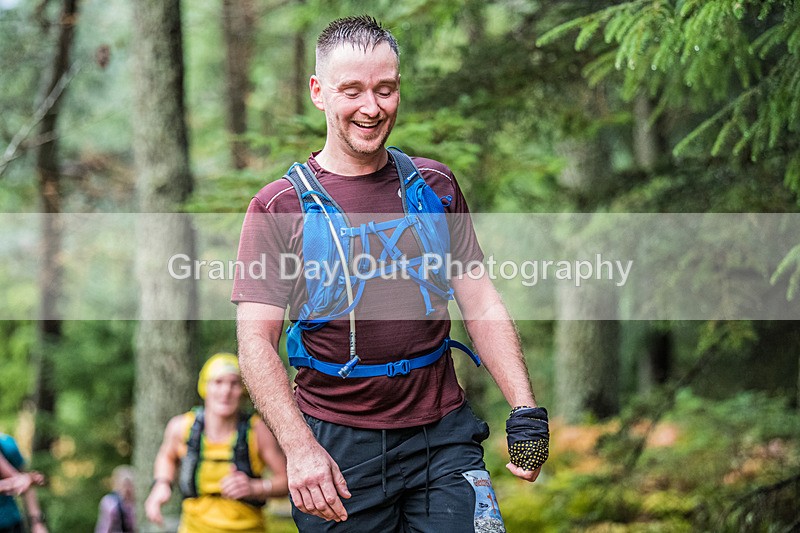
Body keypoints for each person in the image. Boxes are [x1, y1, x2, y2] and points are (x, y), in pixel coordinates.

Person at [233, 15, 550, 532]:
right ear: (318, 91)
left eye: (385, 89)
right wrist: (299, 449)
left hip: (443, 436)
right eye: (352, 90)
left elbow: (480, 301)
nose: (371, 107)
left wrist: (525, 409)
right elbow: (255, 342)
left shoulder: (435, 185)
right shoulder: (279, 206)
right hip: (336, 450)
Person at [144, 353, 289, 532]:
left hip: (247, 528)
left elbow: (287, 481)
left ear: (242, 389)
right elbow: (167, 455)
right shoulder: (181, 427)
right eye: (218, 382)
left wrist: (255, 487)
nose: (225, 391)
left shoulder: (257, 430)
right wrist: (162, 484)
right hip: (193, 527)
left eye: (234, 383)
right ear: (205, 386)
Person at [0, 433, 47, 533]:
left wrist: (37, 523)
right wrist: (11, 484)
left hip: (10, 524)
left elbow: (23, 482)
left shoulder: (7, 445)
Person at [94, 465, 136, 533]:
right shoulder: (110, 502)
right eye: (125, 484)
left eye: (130, 484)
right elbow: (104, 527)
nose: (128, 488)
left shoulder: (135, 503)